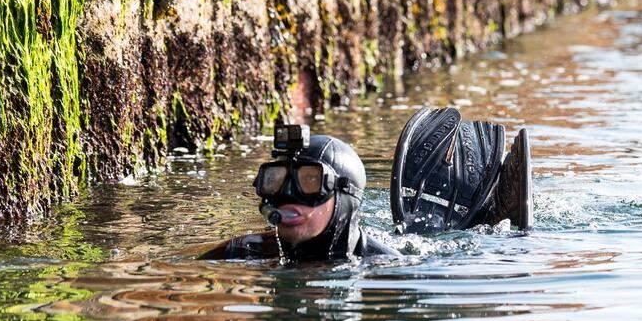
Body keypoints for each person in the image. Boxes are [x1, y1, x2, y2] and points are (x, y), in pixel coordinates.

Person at [201, 108, 532, 262]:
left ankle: (489, 214)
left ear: (345, 195)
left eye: (309, 182)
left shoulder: (379, 262)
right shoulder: (245, 251)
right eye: (276, 181)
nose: (290, 196)